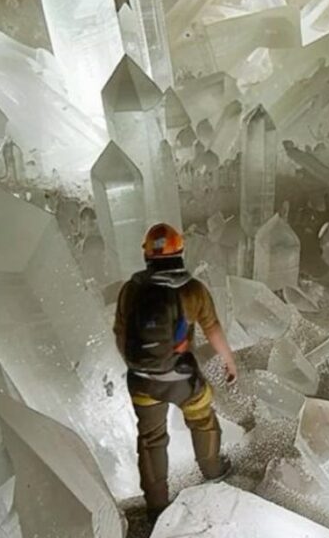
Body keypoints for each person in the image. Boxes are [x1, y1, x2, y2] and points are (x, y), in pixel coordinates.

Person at [113, 222, 238, 522]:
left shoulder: (131, 290)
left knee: (151, 439)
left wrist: (136, 366)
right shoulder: (192, 290)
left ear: (146, 256)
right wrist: (229, 361)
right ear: (180, 252)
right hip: (182, 379)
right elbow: (213, 329)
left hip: (142, 382)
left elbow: (119, 332)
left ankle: (156, 505)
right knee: (203, 419)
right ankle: (213, 470)